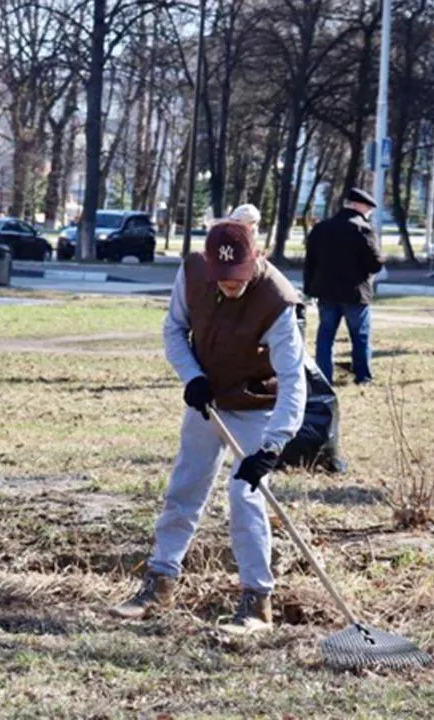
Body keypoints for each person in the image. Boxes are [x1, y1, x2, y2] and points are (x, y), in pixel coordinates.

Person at [109, 220, 306, 635]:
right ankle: (159, 584)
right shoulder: (193, 271)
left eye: (238, 279)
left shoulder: (278, 302)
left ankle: (257, 602)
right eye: (223, 279)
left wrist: (272, 445)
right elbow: (174, 329)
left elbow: (293, 379)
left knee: (245, 494)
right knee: (185, 487)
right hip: (208, 403)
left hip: (256, 411)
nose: (230, 287)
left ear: (257, 260)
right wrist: (192, 376)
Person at [303, 187, 385, 385]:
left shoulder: (321, 228)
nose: (369, 213)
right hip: (355, 293)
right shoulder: (363, 229)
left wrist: (309, 288)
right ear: (361, 207)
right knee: (360, 336)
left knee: (325, 336)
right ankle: (363, 376)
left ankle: (323, 377)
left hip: (326, 292)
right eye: (369, 209)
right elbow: (375, 264)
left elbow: (310, 261)